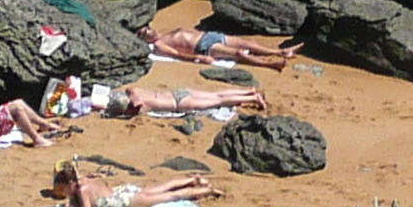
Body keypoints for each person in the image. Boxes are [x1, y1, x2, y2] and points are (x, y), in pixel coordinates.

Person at [48, 158, 217, 207]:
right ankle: (193, 179)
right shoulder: (83, 181)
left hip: (126, 201)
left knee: (169, 197)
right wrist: (69, 204)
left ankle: (206, 190)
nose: (64, 194)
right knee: (159, 188)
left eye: (64, 190)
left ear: (70, 185)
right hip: (124, 191)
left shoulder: (82, 191)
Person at [43, 72, 260, 119]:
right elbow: (127, 94)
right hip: (177, 92)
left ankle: (252, 98)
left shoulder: (138, 103)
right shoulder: (133, 92)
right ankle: (247, 92)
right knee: (215, 95)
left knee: (217, 100)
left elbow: (132, 110)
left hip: (178, 102)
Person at [145, 22, 298, 72]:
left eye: (147, 28)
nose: (149, 31)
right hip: (202, 46)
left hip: (208, 35)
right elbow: (176, 55)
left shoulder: (164, 32)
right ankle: (272, 65)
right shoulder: (159, 45)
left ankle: (281, 52)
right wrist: (197, 58)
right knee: (239, 53)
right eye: (145, 33)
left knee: (248, 43)